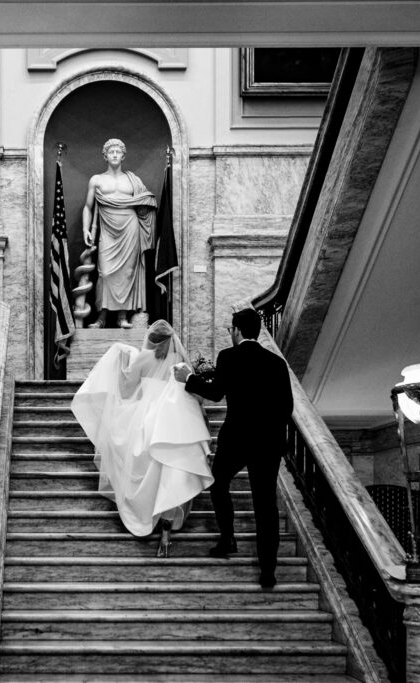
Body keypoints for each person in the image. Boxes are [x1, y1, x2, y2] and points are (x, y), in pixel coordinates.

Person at [71, 320, 214, 556]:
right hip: (174, 423)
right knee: (170, 476)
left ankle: (146, 515)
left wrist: (122, 365)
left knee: (147, 474)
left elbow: (127, 391)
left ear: (151, 338)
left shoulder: (142, 358)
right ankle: (166, 536)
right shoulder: (180, 361)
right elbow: (194, 394)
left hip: (146, 423)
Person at [174, 307, 292, 588]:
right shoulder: (277, 362)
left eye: (230, 329)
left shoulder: (229, 356)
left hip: (237, 438)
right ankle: (268, 571)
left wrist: (188, 380)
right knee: (266, 506)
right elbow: (286, 407)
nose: (231, 333)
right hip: (268, 442)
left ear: (237, 331)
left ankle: (227, 539)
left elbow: (215, 393)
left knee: (218, 485)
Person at [81, 138, 157, 329]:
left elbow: (146, 201)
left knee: (128, 273)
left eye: (118, 152)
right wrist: (85, 228)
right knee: (105, 273)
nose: (114, 155)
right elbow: (88, 207)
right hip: (108, 229)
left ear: (123, 156)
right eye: (111, 152)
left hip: (130, 228)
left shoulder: (133, 180)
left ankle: (122, 316)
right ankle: (102, 317)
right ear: (105, 156)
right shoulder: (97, 179)